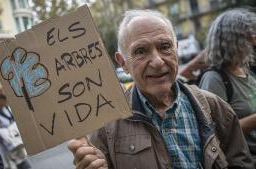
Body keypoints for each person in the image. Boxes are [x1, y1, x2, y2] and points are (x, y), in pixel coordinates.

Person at [68, 9, 254, 169]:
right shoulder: (106, 127)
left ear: (176, 50)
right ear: (123, 63)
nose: (157, 62)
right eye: (140, 51)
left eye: (165, 46)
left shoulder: (216, 108)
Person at [199, 9, 256, 166]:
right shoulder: (214, 79)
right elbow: (214, 134)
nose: (254, 39)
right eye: (249, 35)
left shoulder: (246, 72)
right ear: (234, 41)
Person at [0, 86, 31, 169]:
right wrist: (9, 131)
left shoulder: (6, 108)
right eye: (6, 97)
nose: (8, 100)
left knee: (25, 166)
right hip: (4, 150)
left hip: (15, 146)